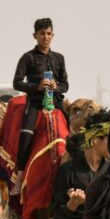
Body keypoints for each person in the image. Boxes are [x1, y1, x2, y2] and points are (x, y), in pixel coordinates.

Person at [12, 17, 69, 185]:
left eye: (49, 33)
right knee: (26, 133)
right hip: (35, 102)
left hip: (56, 102)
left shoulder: (59, 58)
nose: (46, 37)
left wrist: (55, 86)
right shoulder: (27, 58)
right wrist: (37, 87)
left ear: (53, 35)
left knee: (75, 131)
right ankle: (20, 175)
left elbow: (65, 84)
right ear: (35, 35)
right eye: (42, 33)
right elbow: (17, 83)